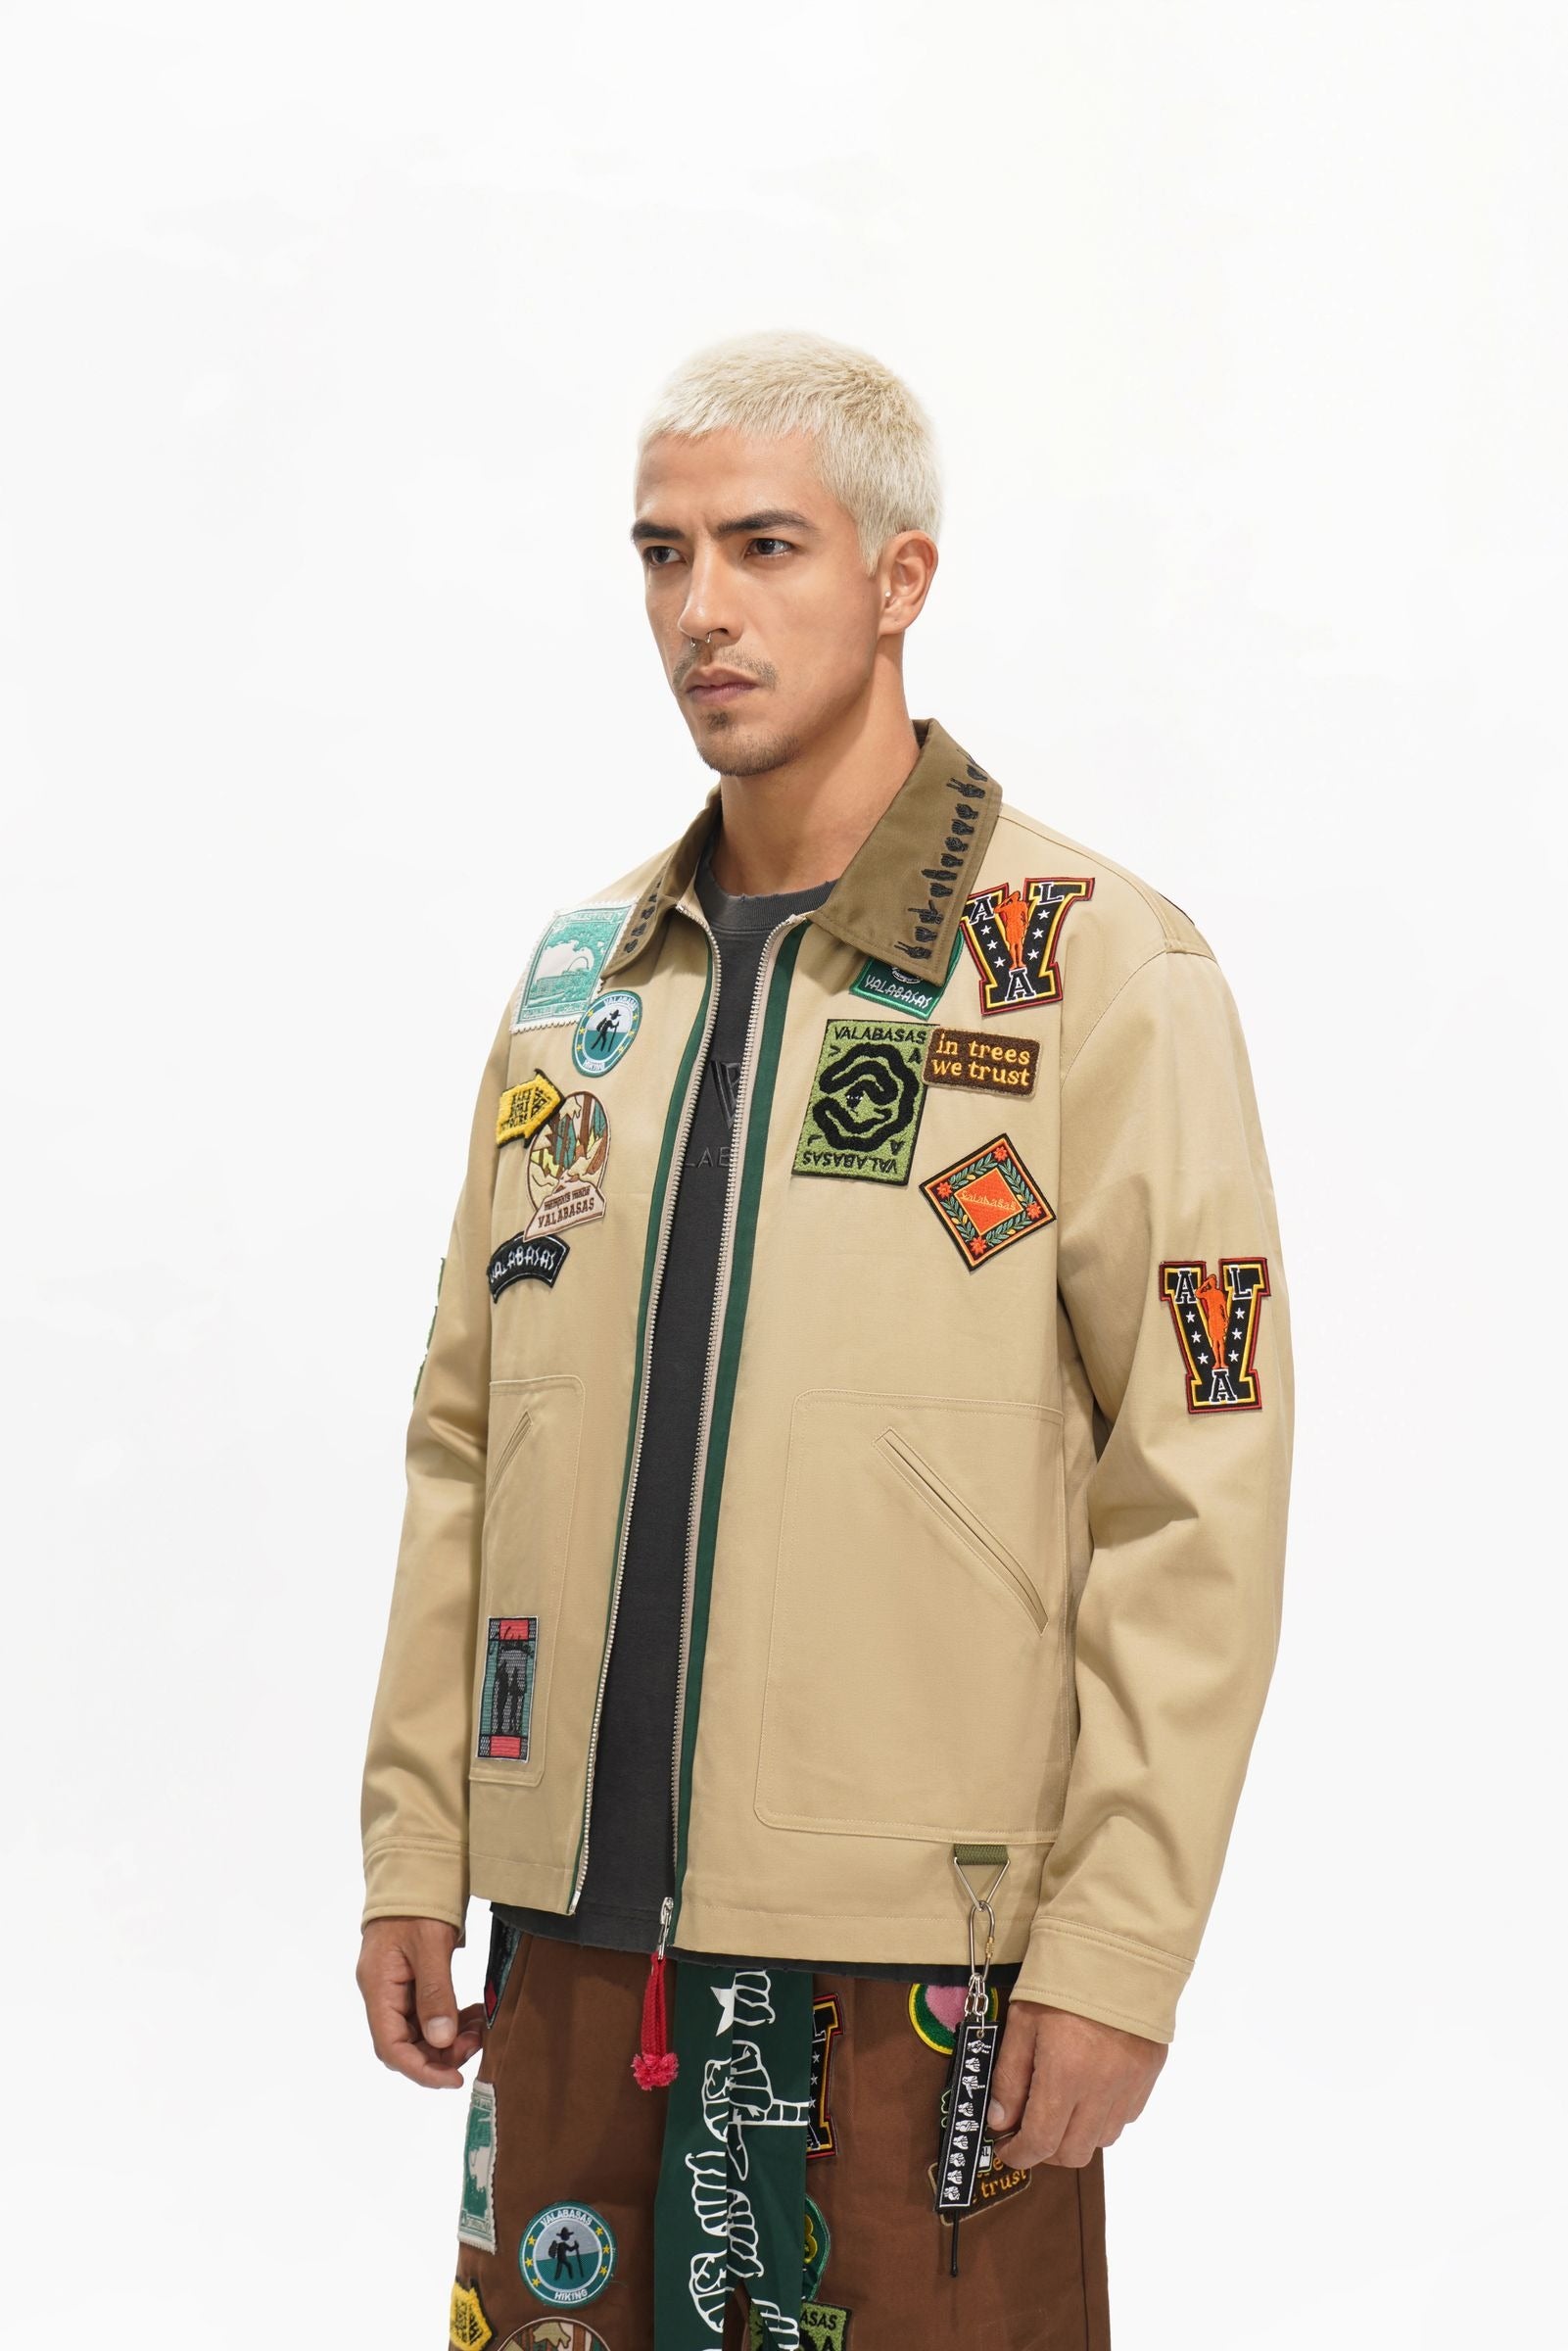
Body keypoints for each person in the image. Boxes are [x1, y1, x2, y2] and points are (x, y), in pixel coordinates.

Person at [357, 328, 1294, 2351]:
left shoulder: (1094, 972)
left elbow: (1197, 1486)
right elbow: (465, 1441)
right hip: (572, 1949)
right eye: (663, 553)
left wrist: (1116, 1944)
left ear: (898, 577)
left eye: (765, 546)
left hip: (919, 1981)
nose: (702, 608)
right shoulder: (579, 995)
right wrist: (419, 1843)